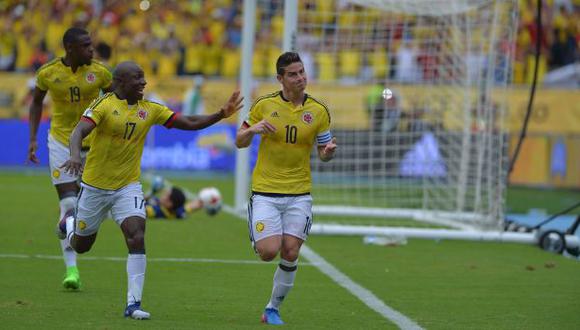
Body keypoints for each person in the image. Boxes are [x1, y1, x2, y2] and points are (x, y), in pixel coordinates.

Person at [59, 61, 242, 320]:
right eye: (137, 78)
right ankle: (69, 224)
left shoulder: (151, 109)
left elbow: (188, 121)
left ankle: (133, 304)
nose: (144, 82)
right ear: (120, 83)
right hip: (95, 187)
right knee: (81, 246)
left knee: (136, 234)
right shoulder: (104, 106)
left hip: (127, 186)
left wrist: (220, 114)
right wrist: (75, 156)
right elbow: (78, 132)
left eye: (144, 77)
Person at [235, 52, 337, 325]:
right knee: (269, 252)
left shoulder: (318, 111)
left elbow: (324, 153)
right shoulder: (264, 105)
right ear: (280, 79)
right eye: (293, 74)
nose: (300, 78)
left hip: (299, 194)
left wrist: (327, 153)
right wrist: (252, 129)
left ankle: (272, 309)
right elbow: (239, 141)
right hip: (266, 192)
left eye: (302, 72)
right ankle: (259, 234)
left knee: (290, 251)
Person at [27, 27, 113, 290]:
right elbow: (36, 103)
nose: (91, 50)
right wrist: (32, 139)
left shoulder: (100, 73)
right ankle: (72, 270)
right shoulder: (48, 73)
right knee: (67, 204)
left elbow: (116, 103)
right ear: (70, 48)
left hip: (93, 145)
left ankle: (75, 223)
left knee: (96, 207)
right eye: (86, 46)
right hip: (62, 143)